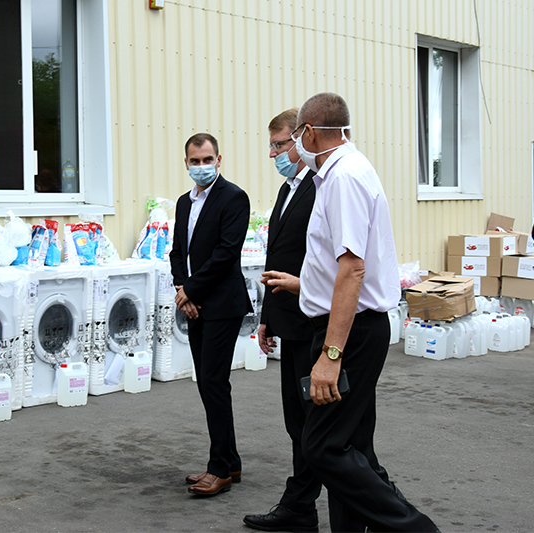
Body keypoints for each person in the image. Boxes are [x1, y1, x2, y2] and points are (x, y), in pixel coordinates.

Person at [263, 93, 438, 532]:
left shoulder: (343, 177)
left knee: (322, 446)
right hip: (351, 325)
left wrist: (331, 355)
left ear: (309, 133)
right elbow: (339, 267)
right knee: (353, 447)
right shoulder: (341, 173)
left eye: (293, 137)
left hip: (350, 332)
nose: (290, 147)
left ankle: (417, 529)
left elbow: (353, 269)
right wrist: (305, 286)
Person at [242, 108, 321, 532]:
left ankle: (353, 503)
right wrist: (266, 319)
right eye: (270, 146)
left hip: (313, 322)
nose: (272, 153)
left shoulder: (319, 187)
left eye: (279, 144)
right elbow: (277, 260)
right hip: (287, 322)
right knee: (297, 421)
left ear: (302, 139)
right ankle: (301, 508)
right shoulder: (288, 189)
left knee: (318, 424)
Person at [169, 133, 251, 497]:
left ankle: (219, 470)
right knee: (206, 382)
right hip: (194, 303)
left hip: (221, 304)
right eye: (194, 161)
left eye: (207, 160)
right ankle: (229, 460)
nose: (201, 166)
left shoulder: (233, 197)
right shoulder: (184, 202)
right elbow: (178, 251)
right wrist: (182, 289)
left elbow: (226, 253)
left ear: (219, 160)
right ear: (186, 163)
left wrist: (191, 291)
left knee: (214, 383)